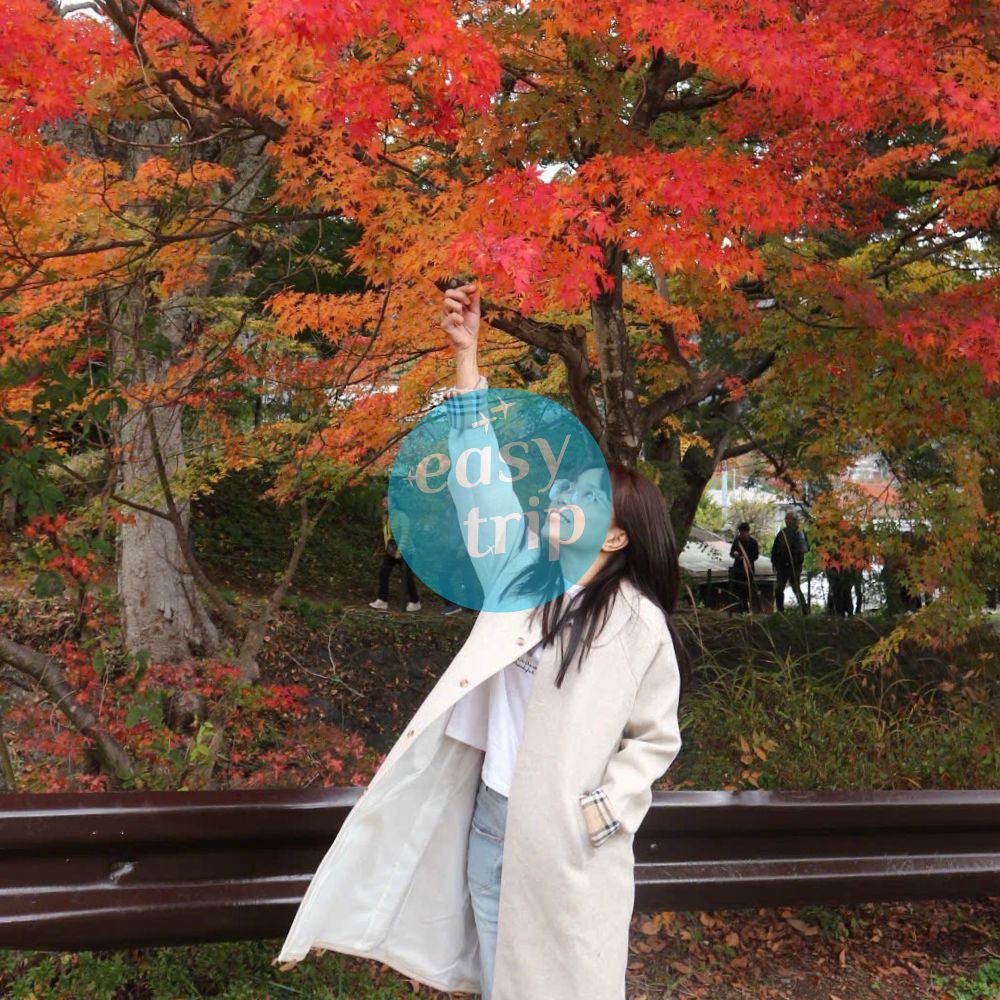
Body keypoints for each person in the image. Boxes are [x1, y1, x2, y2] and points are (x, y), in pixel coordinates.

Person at [273, 280, 685, 1000]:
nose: (563, 496)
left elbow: (655, 737)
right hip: (492, 820)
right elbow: (480, 481)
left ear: (616, 537)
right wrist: (466, 357)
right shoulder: (517, 572)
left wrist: (602, 810)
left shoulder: (635, 622)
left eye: (586, 497)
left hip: (566, 839)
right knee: (501, 984)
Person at [370, 495, 421, 612]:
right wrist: (388, 548)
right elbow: (387, 534)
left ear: (393, 504)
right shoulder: (386, 516)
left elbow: (405, 534)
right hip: (392, 549)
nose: (383, 504)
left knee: (406, 577)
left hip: (406, 550)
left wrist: (400, 550)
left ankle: (415, 601)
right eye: (383, 502)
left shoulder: (402, 516)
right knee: (383, 573)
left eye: (386, 502)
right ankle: (382, 600)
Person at [770, 510, 809, 614]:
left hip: (794, 567)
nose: (787, 520)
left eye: (789, 518)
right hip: (781, 567)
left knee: (796, 588)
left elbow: (803, 549)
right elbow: (775, 549)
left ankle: (804, 612)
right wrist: (774, 563)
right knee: (779, 589)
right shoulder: (782, 533)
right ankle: (780, 612)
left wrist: (792, 561)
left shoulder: (800, 532)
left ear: (794, 520)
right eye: (786, 518)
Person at [728, 521, 759, 613]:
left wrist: (746, 558)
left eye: (743, 532)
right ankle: (740, 610)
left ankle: (746, 610)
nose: (742, 534)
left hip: (748, 570)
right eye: (740, 532)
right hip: (738, 570)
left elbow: (755, 556)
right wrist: (735, 554)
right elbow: (731, 552)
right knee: (738, 591)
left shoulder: (753, 542)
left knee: (747, 591)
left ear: (747, 532)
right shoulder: (737, 541)